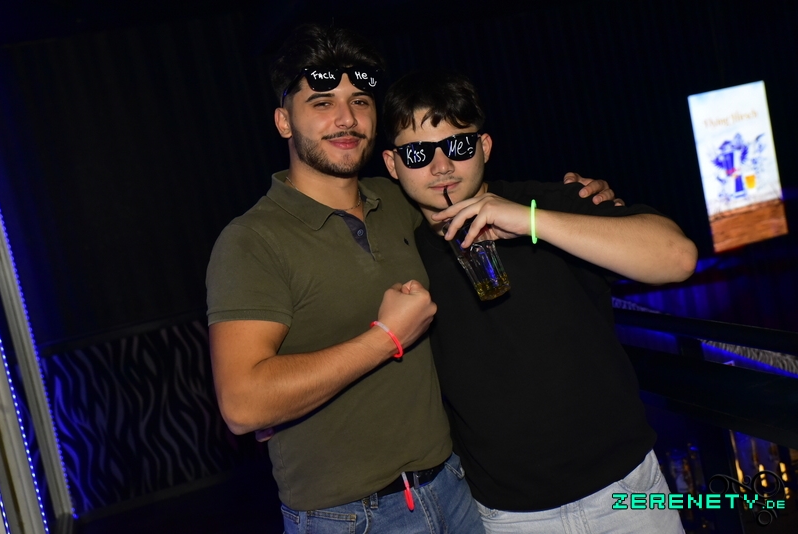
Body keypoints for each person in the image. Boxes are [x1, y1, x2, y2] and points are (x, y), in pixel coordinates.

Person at [206, 24, 613, 534]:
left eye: (360, 101)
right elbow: (243, 405)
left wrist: (581, 198)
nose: (346, 118)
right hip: (349, 517)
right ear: (284, 121)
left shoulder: (398, 199)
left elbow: (468, 181)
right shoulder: (251, 240)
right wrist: (387, 337)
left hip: (455, 489)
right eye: (323, 103)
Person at [381, 70, 697, 534]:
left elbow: (678, 258)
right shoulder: (401, 258)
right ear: (392, 165)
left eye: (459, 145)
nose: (442, 166)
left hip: (627, 492)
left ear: (485, 147)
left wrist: (529, 220)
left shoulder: (549, 203)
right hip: (510, 517)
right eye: (418, 154)